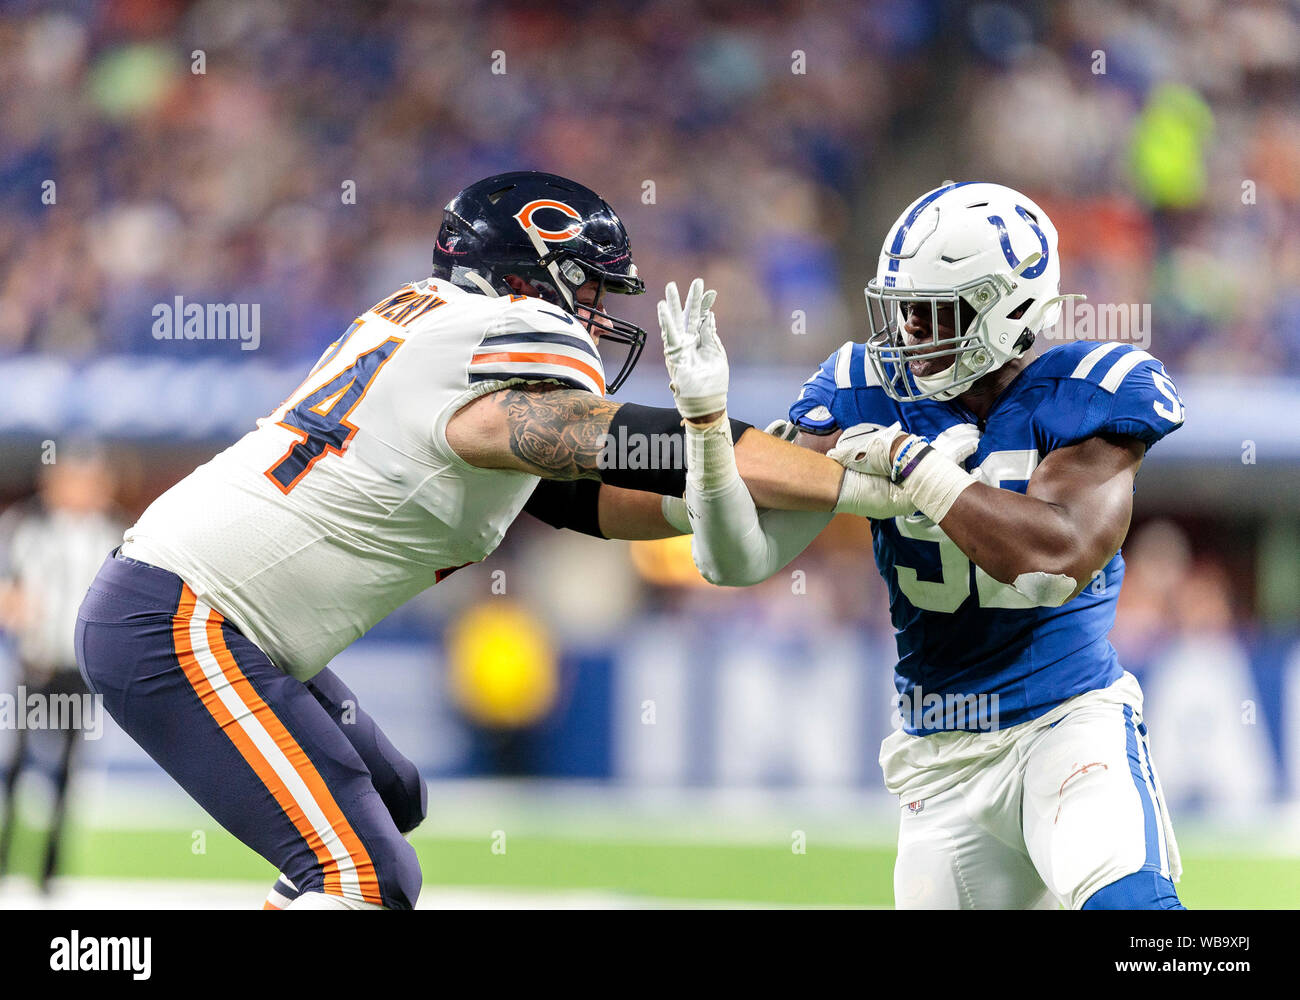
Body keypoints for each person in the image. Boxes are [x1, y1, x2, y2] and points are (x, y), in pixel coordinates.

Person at [74, 171, 891, 910]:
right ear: (535, 276)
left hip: (204, 615)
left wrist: (736, 484)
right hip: (179, 621)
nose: (600, 317)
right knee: (362, 875)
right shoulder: (503, 341)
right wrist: (870, 484)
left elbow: (588, 499)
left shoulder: (439, 339)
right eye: (590, 290)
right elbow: (652, 443)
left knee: (390, 797)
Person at [660, 181, 1187, 910]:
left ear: (1010, 308)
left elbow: (1053, 565)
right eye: (903, 307)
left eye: (936, 310)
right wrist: (706, 426)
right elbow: (735, 560)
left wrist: (918, 470)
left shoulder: (1091, 388)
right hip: (939, 755)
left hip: (1066, 724)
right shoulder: (864, 387)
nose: (909, 330)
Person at [0, 446, 123, 891]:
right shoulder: (27, 525)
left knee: (68, 770)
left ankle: (49, 869)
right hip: (38, 664)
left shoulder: (115, 532)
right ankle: (5, 858)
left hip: (80, 669)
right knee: (16, 767)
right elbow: (9, 589)